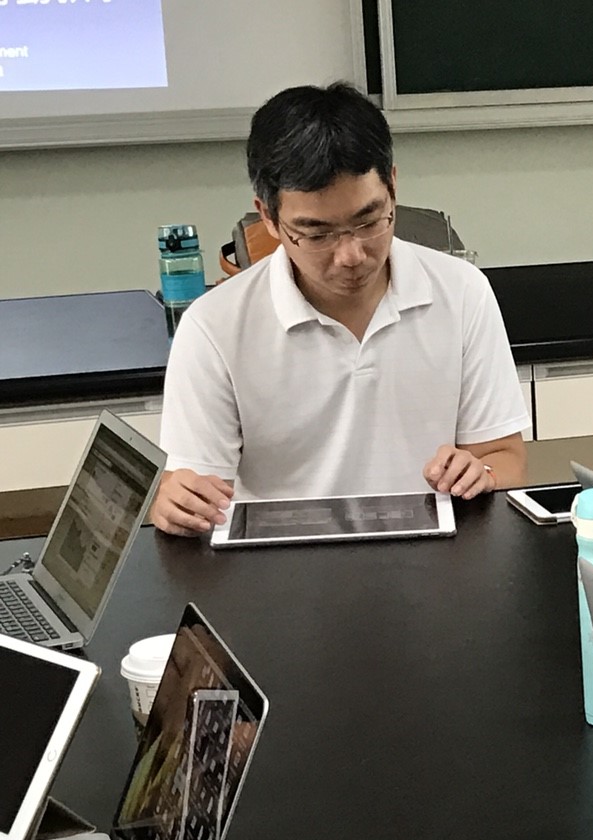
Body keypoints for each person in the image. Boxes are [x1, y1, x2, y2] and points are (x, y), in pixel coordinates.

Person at [152, 82, 530, 536]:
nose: (351, 255)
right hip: (283, 560)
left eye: (369, 221)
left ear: (392, 186)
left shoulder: (462, 291)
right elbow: (190, 490)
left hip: (433, 554)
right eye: (317, 234)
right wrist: (176, 505)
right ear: (268, 216)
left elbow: (505, 458)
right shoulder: (214, 327)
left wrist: (481, 474)